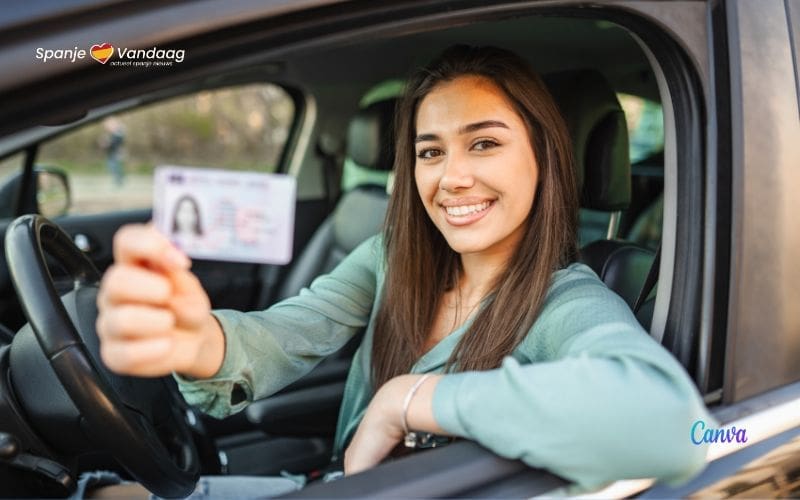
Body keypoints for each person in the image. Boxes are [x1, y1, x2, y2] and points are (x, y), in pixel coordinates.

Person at [94, 45, 713, 498]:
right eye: (430, 151)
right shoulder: (392, 256)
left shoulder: (567, 302)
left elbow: (674, 425)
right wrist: (197, 341)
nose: (452, 177)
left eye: (484, 143)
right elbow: (288, 331)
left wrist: (406, 399)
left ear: (544, 158)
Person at [101, 117, 126, 187]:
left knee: (115, 167)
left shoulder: (118, 134)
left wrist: (106, 143)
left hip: (115, 153)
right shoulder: (115, 134)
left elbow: (114, 143)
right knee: (114, 167)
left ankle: (119, 182)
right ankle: (118, 181)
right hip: (113, 153)